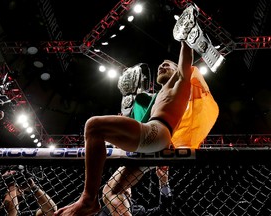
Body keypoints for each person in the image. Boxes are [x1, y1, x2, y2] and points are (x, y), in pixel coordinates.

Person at [54, 41, 196, 216]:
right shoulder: (157, 96)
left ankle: (88, 199)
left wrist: (185, 40)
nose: (161, 66)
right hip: (152, 142)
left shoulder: (180, 83)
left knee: (93, 126)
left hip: (156, 133)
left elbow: (186, 67)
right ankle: (93, 200)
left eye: (167, 64)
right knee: (110, 191)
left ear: (177, 69)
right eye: (161, 64)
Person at [99, 166, 173, 215]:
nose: (125, 188)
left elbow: (164, 209)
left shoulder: (139, 211)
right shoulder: (105, 204)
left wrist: (164, 182)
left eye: (127, 185)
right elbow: (110, 191)